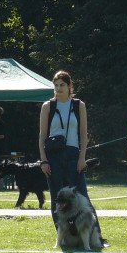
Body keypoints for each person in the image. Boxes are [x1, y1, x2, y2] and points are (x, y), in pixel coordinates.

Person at [39, 70, 90, 222]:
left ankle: (96, 235)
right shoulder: (48, 106)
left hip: (73, 154)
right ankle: (63, 237)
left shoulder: (78, 105)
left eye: (62, 85)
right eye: (56, 85)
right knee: (57, 197)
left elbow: (83, 134)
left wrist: (82, 158)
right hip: (53, 156)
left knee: (81, 195)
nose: (59, 88)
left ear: (69, 86)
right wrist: (44, 160)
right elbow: (42, 135)